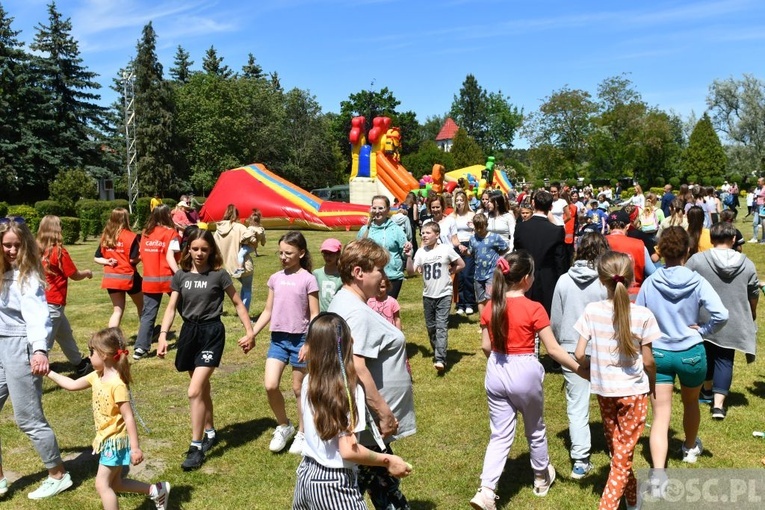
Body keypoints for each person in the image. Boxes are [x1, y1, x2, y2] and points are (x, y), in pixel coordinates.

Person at [470, 252, 586, 509]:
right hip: (525, 370)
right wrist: (580, 369)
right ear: (525, 279)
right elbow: (554, 350)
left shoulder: (490, 307)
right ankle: (541, 477)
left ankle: (486, 490)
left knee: (499, 435)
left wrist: (499, 360)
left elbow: (486, 346)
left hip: (496, 369)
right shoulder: (534, 308)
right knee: (535, 429)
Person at [636, 227, 727, 492]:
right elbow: (721, 314)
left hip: (659, 354)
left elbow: (639, 317)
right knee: (691, 403)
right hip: (691, 353)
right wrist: (705, 331)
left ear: (661, 252)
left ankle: (658, 474)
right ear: (688, 250)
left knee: (660, 414)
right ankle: (689, 446)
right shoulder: (697, 281)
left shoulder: (650, 283)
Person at [327, 239, 415, 510]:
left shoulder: (344, 302)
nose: (384, 278)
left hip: (363, 423)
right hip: (369, 424)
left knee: (375, 484)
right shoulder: (357, 313)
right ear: (358, 272)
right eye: (379, 270)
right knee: (380, 484)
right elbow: (355, 365)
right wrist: (383, 412)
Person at [157, 227, 254, 470]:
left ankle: (195, 446)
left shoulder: (219, 275)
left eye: (204, 249)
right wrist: (161, 336)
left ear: (211, 251)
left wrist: (249, 331)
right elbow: (170, 309)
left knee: (193, 391)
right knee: (202, 389)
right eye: (195, 248)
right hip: (189, 333)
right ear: (188, 249)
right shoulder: (180, 276)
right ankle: (210, 432)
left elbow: (238, 303)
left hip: (212, 333)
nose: (199, 253)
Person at [292, 313, 411, 510]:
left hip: (306, 477)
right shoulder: (349, 390)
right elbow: (347, 450)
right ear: (347, 344)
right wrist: (388, 460)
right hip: (334, 485)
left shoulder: (308, 381)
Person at [46, 328, 170, 510]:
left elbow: (129, 417)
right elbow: (71, 385)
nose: (88, 357)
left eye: (91, 352)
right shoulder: (97, 376)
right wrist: (47, 372)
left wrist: (135, 448)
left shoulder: (117, 384)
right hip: (107, 440)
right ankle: (156, 490)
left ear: (104, 355)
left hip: (115, 442)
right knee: (116, 484)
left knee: (102, 485)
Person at [574, 251, 659, 510]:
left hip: (605, 391)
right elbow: (648, 361)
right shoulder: (643, 315)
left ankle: (633, 500)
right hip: (633, 392)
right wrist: (652, 384)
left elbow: (578, 353)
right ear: (633, 279)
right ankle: (608, 505)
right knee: (622, 455)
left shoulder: (591, 311)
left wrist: (592, 367)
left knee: (620, 452)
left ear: (602, 280)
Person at [0, 216, 73, 499]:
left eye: (17, 245)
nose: (11, 250)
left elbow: (37, 316)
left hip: (22, 345)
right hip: (1, 344)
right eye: (6, 245)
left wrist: (40, 350)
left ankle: (58, 474)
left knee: (28, 417)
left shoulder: (28, 276)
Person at [245, 231, 319, 455]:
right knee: (270, 385)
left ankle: (304, 433)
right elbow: (268, 310)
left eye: (289, 253)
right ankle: (284, 425)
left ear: (301, 253)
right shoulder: (275, 278)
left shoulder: (308, 278)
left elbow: (315, 314)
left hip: (301, 340)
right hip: (278, 339)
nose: (283, 257)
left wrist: (309, 342)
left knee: (299, 389)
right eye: (281, 253)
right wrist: (252, 333)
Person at [550, 232, 609, 480]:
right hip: (603, 346)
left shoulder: (564, 280)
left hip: (571, 348)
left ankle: (580, 459)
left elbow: (556, 319)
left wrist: (560, 345)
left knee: (577, 406)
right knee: (612, 400)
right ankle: (617, 447)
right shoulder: (606, 281)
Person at [686, 221, 759, 420]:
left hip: (702, 317)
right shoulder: (746, 263)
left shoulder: (697, 261)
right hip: (732, 319)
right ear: (734, 239)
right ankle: (718, 405)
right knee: (725, 359)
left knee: (707, 354)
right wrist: (752, 312)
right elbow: (753, 292)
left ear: (711, 239)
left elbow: (684, 284)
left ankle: (707, 390)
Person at [36, 215, 93, 375]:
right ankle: (30, 373)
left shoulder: (36, 250)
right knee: (43, 345)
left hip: (42, 300)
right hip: (53, 303)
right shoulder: (58, 252)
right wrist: (87, 273)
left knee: (65, 334)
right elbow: (73, 274)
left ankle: (80, 364)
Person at [408, 222, 464, 372]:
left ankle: (440, 359)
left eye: (427, 233)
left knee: (441, 326)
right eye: (422, 233)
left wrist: (451, 271)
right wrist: (408, 257)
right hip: (428, 295)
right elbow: (411, 272)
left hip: (444, 293)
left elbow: (461, 264)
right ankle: (439, 349)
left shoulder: (446, 249)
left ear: (437, 235)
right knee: (431, 327)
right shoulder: (421, 252)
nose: (424, 235)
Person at [133, 205, 180, 360]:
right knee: (185, 307)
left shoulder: (145, 234)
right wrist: (180, 274)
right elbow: (171, 256)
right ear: (167, 215)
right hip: (169, 278)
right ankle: (198, 333)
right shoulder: (171, 233)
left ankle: (140, 348)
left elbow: (141, 254)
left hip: (150, 280)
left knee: (148, 315)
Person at [513, 190, 568, 315]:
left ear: (533, 204)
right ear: (551, 207)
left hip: (524, 276)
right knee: (546, 315)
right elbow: (560, 260)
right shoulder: (556, 231)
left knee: (524, 314)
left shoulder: (521, 228)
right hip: (548, 279)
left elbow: (518, 252)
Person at [94, 208, 143, 328]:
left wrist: (107, 261)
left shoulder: (106, 237)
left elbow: (96, 257)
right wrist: (142, 256)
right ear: (126, 219)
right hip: (129, 277)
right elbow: (132, 259)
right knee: (143, 306)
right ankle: (147, 333)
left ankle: (111, 338)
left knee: (117, 310)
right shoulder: (131, 236)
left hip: (111, 278)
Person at [357, 195, 411, 299]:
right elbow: (357, 254)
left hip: (392, 277)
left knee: (388, 310)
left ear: (388, 210)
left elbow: (405, 254)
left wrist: (407, 251)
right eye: (374, 208)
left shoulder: (396, 230)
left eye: (381, 208)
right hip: (370, 277)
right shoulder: (364, 230)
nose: (377, 211)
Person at [605, 209, 656, 299]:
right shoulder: (639, 245)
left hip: (607, 294)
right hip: (634, 296)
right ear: (628, 226)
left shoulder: (601, 243)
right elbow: (653, 273)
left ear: (608, 226)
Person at [214, 204, 254, 312]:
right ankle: (244, 313)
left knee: (220, 288)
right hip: (242, 265)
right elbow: (252, 237)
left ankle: (219, 310)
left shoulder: (218, 230)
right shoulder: (240, 227)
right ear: (236, 215)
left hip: (225, 265)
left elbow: (214, 247)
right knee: (247, 289)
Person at [469, 214, 509, 317]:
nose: (479, 230)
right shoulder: (473, 238)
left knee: (490, 298)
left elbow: (505, 247)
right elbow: (471, 252)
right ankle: (483, 322)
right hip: (478, 274)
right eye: (476, 227)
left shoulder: (494, 237)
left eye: (481, 227)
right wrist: (465, 251)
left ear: (486, 225)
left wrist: (498, 257)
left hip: (491, 273)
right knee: (480, 299)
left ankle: (492, 320)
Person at [452, 190, 477, 315]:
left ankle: (470, 303)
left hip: (469, 245)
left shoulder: (471, 214)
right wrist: (458, 245)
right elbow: (452, 234)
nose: (459, 203)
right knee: (459, 277)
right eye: (457, 200)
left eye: (461, 200)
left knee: (467, 275)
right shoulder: (452, 216)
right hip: (457, 245)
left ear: (466, 201)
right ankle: (460, 303)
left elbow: (475, 231)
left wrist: (467, 247)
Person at [233, 209, 266, 277]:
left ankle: (240, 268)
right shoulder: (261, 229)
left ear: (251, 221)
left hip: (248, 246)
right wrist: (263, 243)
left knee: (240, 255)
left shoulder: (251, 228)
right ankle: (245, 266)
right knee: (245, 255)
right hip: (253, 247)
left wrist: (241, 239)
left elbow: (248, 236)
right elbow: (263, 238)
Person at [313, 238, 343, 312]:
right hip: (320, 316)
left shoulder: (342, 276)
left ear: (338, 254)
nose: (327, 257)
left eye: (331, 254)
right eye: (325, 253)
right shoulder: (317, 274)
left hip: (337, 315)